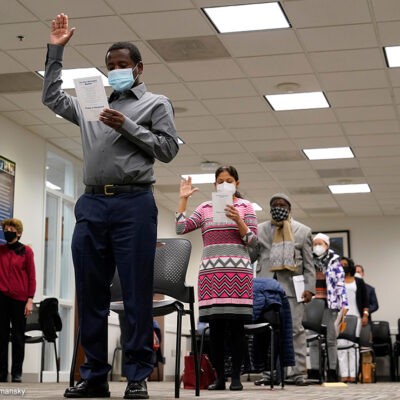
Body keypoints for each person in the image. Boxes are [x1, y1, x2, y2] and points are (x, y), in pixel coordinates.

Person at [42, 13, 179, 399]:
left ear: (138, 68)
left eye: (123, 65)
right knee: (90, 292)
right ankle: (95, 376)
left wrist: (127, 125)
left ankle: (136, 376)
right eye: (111, 66)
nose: (116, 71)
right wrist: (56, 50)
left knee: (135, 291)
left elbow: (168, 149)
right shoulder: (91, 104)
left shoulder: (155, 103)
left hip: (134, 203)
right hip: (91, 204)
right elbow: (51, 97)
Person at [176, 166, 257, 391]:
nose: (224, 185)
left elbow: (253, 243)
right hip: (211, 275)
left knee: (237, 329)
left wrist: (238, 220)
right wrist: (183, 199)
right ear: (214, 185)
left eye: (229, 180)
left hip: (238, 274)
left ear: (237, 184)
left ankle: (237, 379)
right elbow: (180, 228)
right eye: (220, 181)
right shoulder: (204, 208)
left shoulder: (246, 207)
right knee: (216, 329)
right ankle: (220, 378)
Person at [250, 193, 315, 386]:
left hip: (293, 288)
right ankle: (268, 373)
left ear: (289, 208)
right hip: (264, 287)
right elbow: (252, 256)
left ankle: (298, 373)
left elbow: (309, 265)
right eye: (275, 205)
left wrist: (310, 288)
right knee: (265, 331)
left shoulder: (302, 231)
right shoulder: (259, 229)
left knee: (295, 330)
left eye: (283, 205)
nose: (279, 207)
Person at [308, 233, 348, 382]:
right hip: (312, 305)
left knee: (331, 339)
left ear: (327, 245)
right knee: (312, 340)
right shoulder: (308, 261)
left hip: (329, 305)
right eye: (315, 243)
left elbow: (340, 285)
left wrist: (344, 305)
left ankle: (332, 371)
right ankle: (314, 372)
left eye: (321, 243)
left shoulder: (335, 262)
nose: (317, 246)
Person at [0, 218, 36, 383]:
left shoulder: (26, 251)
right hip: (2, 298)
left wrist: (30, 300)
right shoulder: (0, 250)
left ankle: (16, 373)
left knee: (18, 336)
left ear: (18, 232)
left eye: (11, 228)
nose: (7, 230)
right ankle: (1, 373)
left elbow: (31, 277)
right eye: (5, 228)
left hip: (20, 299)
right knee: (1, 336)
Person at [337, 257, 368, 383]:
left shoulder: (359, 281)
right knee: (341, 345)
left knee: (353, 345)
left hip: (356, 316)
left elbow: (365, 300)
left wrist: (365, 315)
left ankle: (353, 374)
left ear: (350, 266)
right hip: (341, 316)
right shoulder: (337, 281)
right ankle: (344, 374)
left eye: (345, 264)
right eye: (341, 264)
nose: (343, 266)